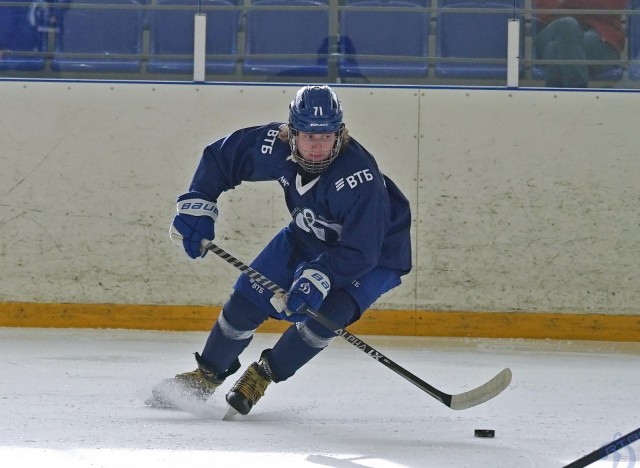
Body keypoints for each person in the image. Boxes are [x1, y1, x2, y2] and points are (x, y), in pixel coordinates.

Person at [146, 85, 412, 416]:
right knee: (245, 301)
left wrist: (320, 276)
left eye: (326, 137)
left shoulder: (361, 179)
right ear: (291, 132)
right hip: (308, 233)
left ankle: (262, 375)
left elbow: (362, 251)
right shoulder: (275, 144)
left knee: (324, 319)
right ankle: (206, 375)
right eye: (308, 137)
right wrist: (199, 202)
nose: (317, 147)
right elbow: (223, 157)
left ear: (340, 134)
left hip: (375, 255)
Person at [533, 0, 626, 88]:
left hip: (600, 38)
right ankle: (578, 93)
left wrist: (566, 4)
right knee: (567, 24)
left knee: (554, 49)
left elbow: (610, 6)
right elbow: (545, 10)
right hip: (554, 30)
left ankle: (558, 99)